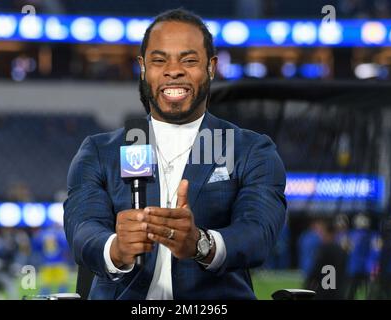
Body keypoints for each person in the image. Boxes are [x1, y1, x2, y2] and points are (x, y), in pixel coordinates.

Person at [64, 8, 287, 300]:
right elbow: (82, 228)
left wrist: (201, 244)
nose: (173, 70)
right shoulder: (98, 151)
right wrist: (116, 248)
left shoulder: (252, 150)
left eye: (189, 60)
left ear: (211, 67)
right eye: (159, 60)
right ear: (143, 68)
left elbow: (258, 233)